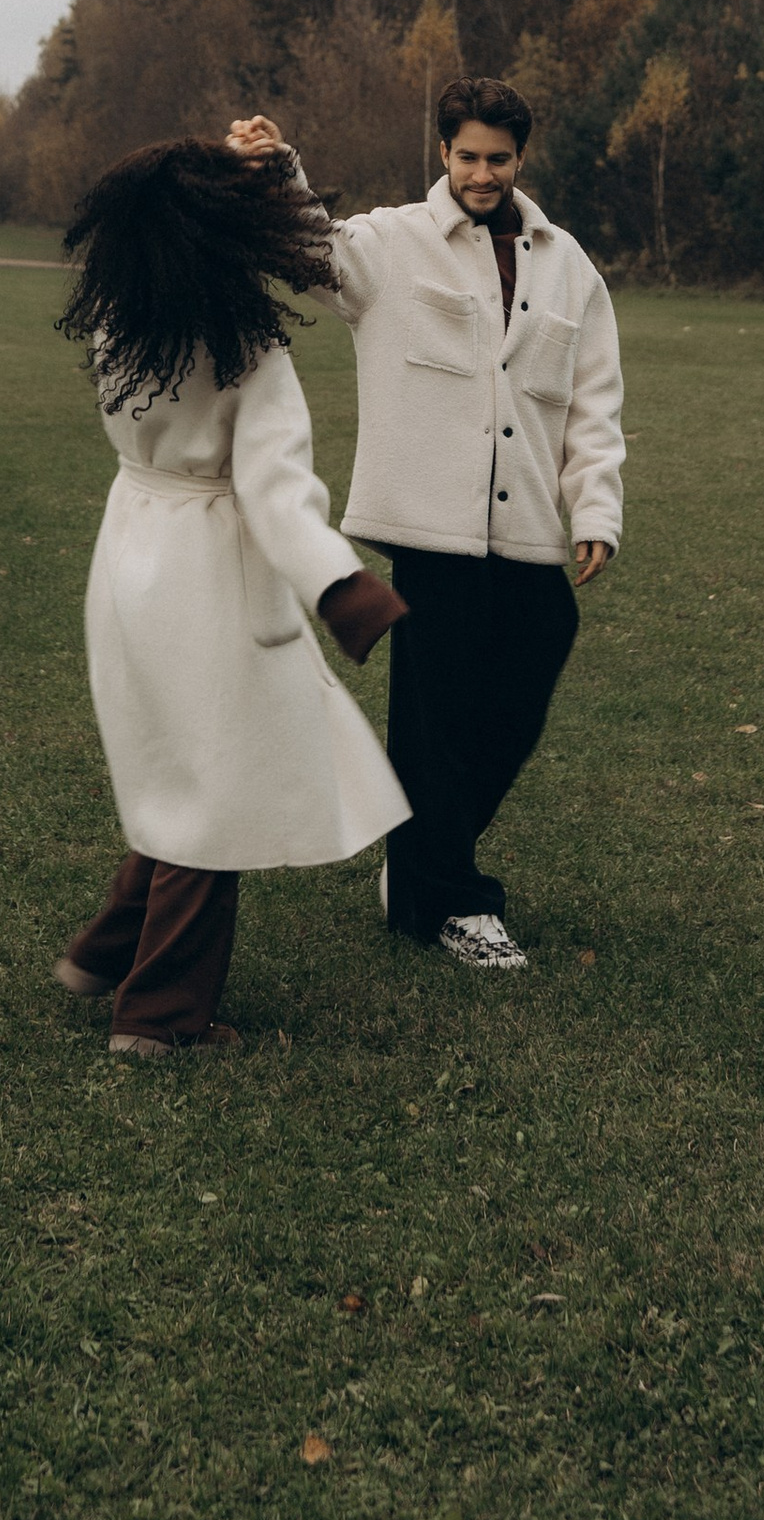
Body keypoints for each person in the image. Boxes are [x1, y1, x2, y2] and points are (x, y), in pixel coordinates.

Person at [226, 78, 622, 972]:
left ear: (522, 158)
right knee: (436, 712)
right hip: (428, 525)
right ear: (443, 153)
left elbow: (595, 400)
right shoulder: (390, 242)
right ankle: (457, 903)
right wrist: (280, 165)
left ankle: (418, 859)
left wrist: (594, 504)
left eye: (499, 158)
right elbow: (313, 251)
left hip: (524, 527)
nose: (483, 174)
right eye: (467, 156)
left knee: (540, 642)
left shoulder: (569, 264)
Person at [52, 137, 409, 1057]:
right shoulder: (245, 348)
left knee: (182, 766)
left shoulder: (123, 320)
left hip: (133, 552)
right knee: (220, 791)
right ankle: (162, 1017)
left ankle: (105, 953)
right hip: (212, 574)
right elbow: (276, 492)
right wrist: (347, 589)